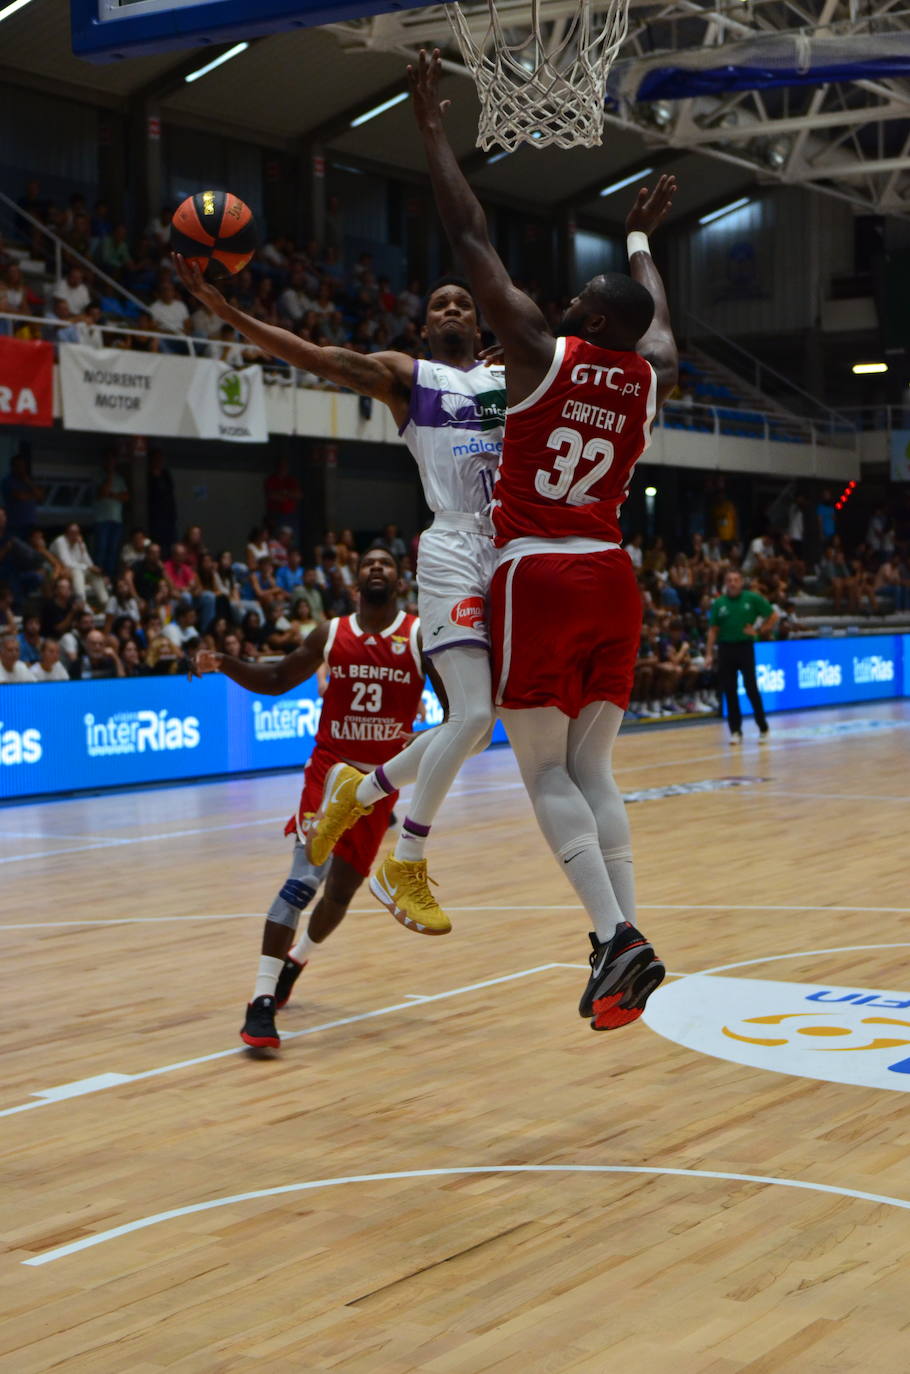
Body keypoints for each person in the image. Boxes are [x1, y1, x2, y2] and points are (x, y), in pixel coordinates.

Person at [405, 49, 675, 1030]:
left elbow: (466, 231)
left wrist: (435, 132)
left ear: (587, 318)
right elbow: (656, 323)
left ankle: (613, 939)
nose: (557, 305)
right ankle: (626, 936)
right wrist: (643, 243)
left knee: (543, 771)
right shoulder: (649, 375)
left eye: (576, 303)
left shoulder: (533, 348)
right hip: (615, 575)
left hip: (539, 575)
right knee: (596, 770)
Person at [174, 242, 504, 937]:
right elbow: (317, 356)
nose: (451, 309)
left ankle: (367, 792)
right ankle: (402, 849)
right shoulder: (408, 377)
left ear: (482, 325)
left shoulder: (515, 373)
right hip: (453, 542)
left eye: (462, 303)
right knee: (472, 717)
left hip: (511, 552)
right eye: (438, 304)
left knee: (478, 728)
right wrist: (225, 308)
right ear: (422, 329)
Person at [189, 547, 427, 1050]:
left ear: (400, 580)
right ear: (355, 580)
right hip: (329, 773)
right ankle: (260, 1002)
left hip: (380, 783)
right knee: (303, 881)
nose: (377, 567)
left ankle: (297, 959)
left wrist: (427, 738)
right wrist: (224, 662)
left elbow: (456, 709)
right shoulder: (332, 632)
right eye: (369, 563)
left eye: (385, 562)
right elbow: (276, 679)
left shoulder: (421, 633)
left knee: (340, 892)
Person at [705, 569, 779, 742]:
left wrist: (759, 631)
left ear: (741, 582)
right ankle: (735, 731)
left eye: (736, 579)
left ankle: (763, 727)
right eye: (729, 580)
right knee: (729, 690)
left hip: (745, 647)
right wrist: (709, 653)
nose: (732, 583)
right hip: (725, 649)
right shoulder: (719, 603)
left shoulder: (751, 598)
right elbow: (713, 630)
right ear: (725, 583)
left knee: (751, 688)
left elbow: (773, 615)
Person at [93, 451, 129, 579]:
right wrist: (109, 476)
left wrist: (112, 495)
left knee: (113, 550)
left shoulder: (120, 478)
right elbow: (103, 492)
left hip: (116, 519)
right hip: (102, 519)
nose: (110, 463)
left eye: (113, 461)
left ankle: (110, 577)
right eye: (108, 461)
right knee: (101, 548)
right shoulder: (98, 475)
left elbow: (126, 497)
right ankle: (98, 575)